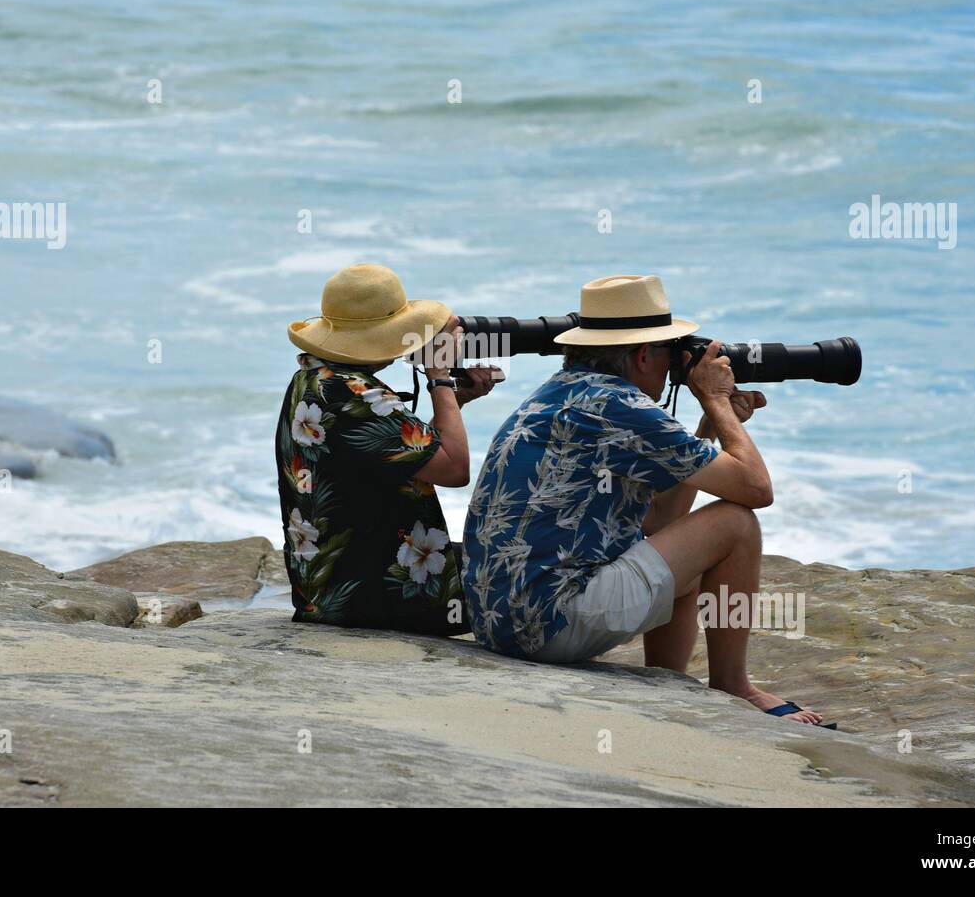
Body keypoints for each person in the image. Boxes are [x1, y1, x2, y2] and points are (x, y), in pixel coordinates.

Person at [461, 274, 826, 725]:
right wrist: (714, 399)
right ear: (642, 355)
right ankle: (734, 686)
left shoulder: (564, 392)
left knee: (692, 555)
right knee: (736, 523)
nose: (676, 365)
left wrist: (712, 425)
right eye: (671, 352)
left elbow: (661, 522)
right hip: (551, 626)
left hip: (500, 623)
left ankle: (664, 684)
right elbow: (756, 490)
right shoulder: (620, 405)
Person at [277, 263, 497, 635]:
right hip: (382, 595)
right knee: (525, 573)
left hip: (326, 586)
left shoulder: (314, 380)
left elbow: (399, 453)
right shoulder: (359, 394)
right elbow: (454, 470)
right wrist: (439, 377)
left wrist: (453, 403)